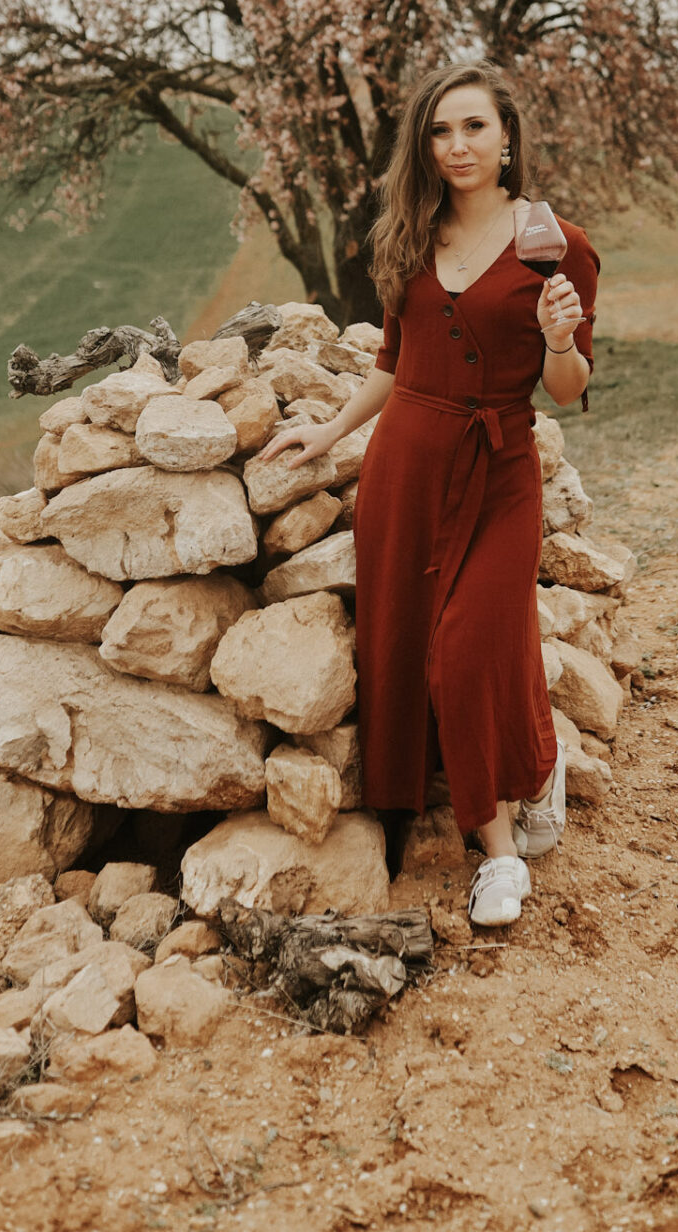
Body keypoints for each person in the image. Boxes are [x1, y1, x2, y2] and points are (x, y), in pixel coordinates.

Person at [258, 62, 598, 927]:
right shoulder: (409, 231)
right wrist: (332, 435)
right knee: (405, 649)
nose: (457, 147)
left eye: (475, 128)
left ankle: (500, 860)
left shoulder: (559, 246)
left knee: (470, 643)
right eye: (441, 131)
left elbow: (567, 388)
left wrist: (560, 336)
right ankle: (463, 804)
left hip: (498, 470)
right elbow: (393, 363)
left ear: (509, 135)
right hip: (406, 464)